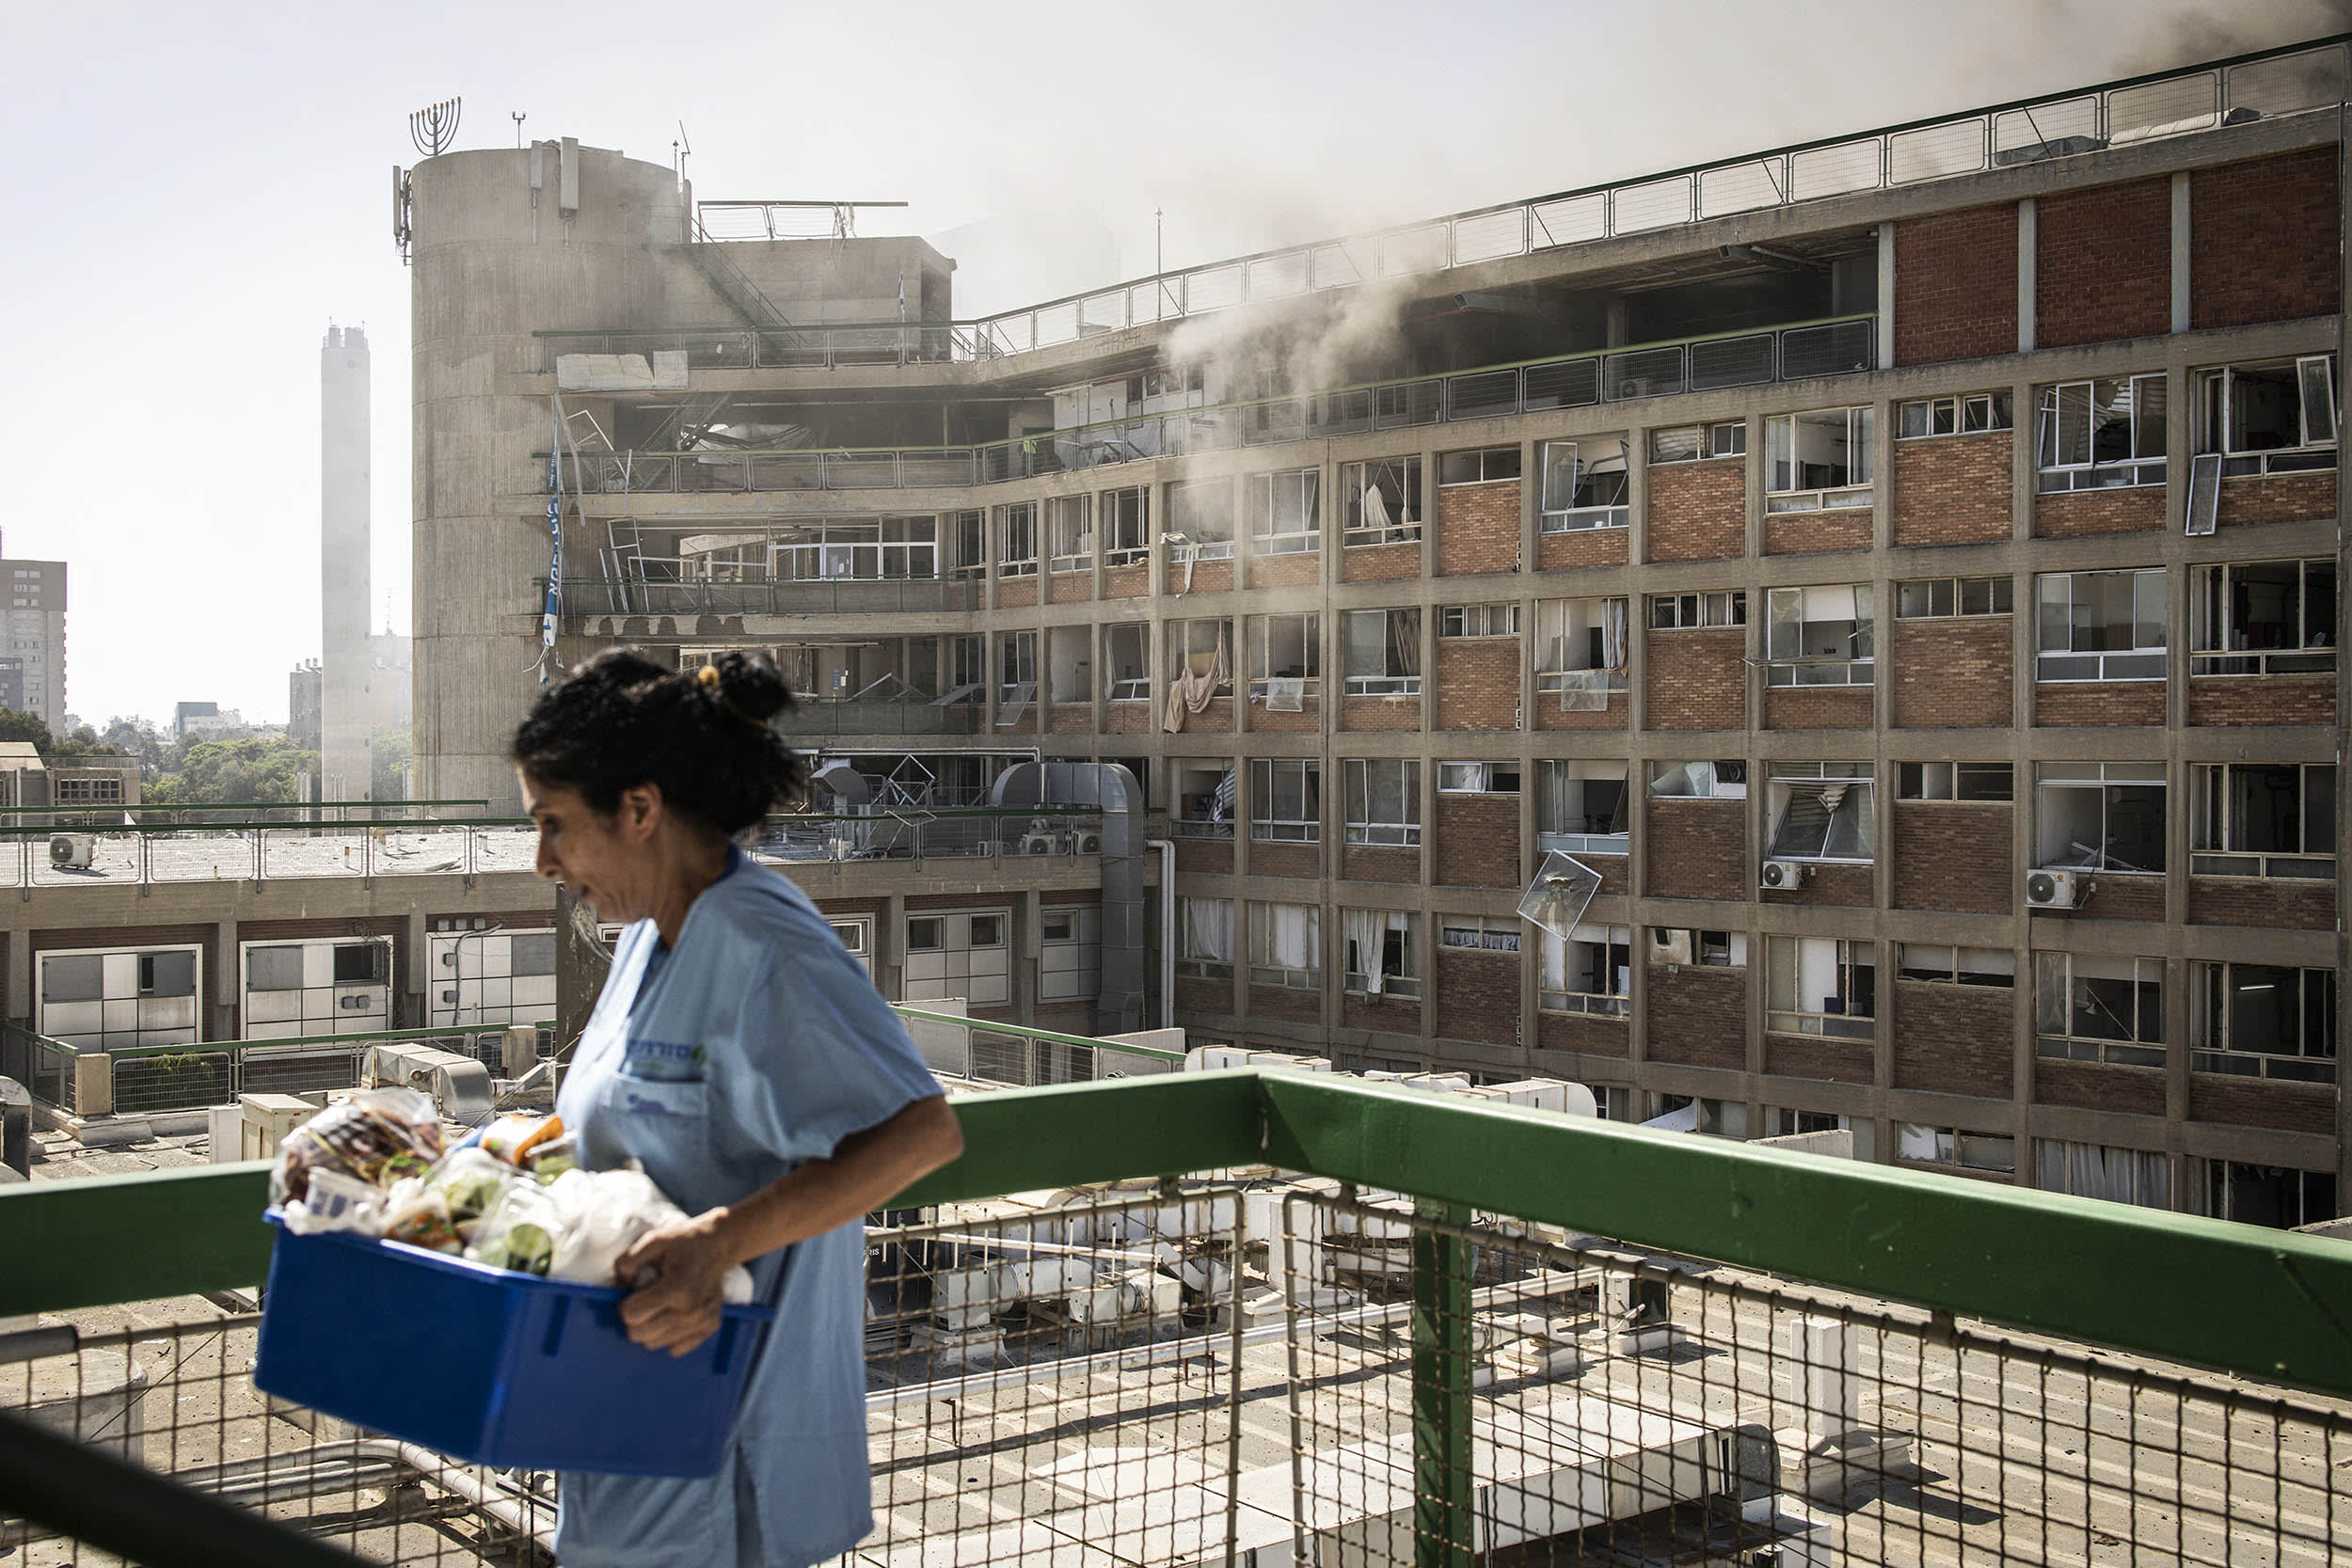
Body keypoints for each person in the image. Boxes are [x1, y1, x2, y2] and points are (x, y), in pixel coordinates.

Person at [515, 648, 964, 1568]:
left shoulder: (767, 944)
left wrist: (717, 1242)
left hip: (723, 1473)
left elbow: (923, 1129)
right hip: (626, 1445)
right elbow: (631, 1133)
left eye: (555, 824)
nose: (543, 860)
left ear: (639, 809)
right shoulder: (649, 938)